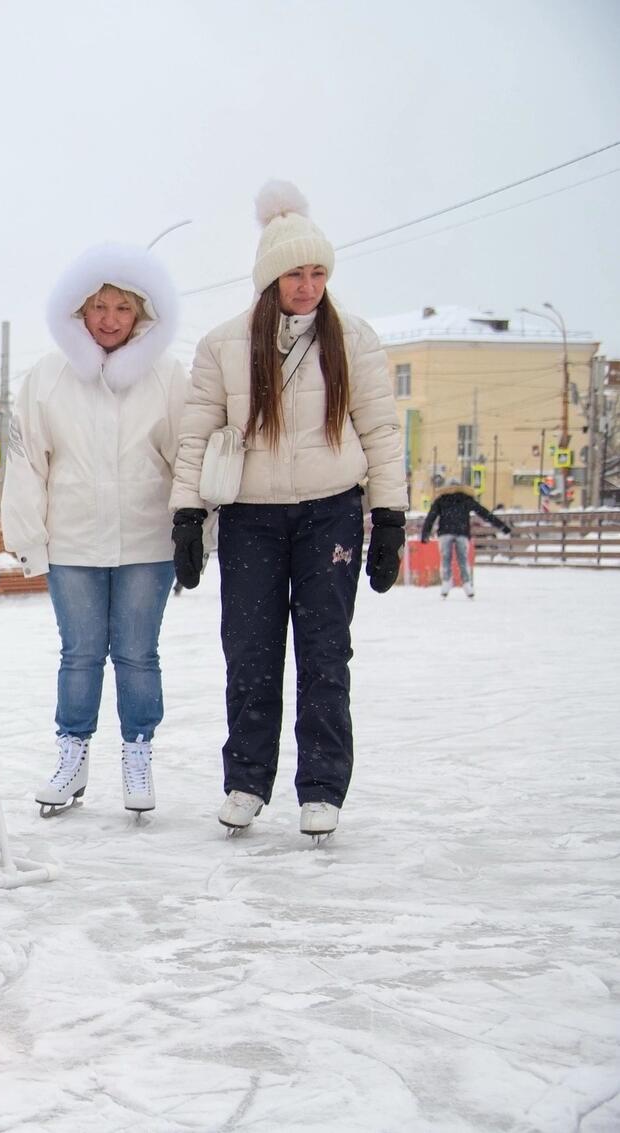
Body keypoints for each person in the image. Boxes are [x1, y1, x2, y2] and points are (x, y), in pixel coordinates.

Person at [169, 182, 407, 839]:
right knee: (250, 652)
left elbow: (381, 430)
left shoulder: (353, 339)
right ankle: (247, 781)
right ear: (269, 277)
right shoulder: (223, 345)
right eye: (295, 274)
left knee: (325, 652)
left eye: (317, 273)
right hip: (250, 517)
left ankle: (322, 787)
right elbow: (197, 434)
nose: (307, 287)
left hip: (331, 513)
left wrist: (389, 516)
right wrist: (187, 515)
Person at [2, 242, 188, 816]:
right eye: (98, 307)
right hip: (74, 542)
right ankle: (72, 757)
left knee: (137, 655)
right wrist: (29, 539)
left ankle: (138, 754)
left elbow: (186, 456)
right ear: (78, 309)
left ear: (142, 313)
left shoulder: (166, 375)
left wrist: (194, 530)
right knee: (80, 654)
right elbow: (27, 463)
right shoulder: (47, 377)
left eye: (123, 308)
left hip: (147, 541)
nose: (109, 320)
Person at [421, 478, 511, 599]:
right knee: (462, 559)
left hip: (447, 532)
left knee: (446, 558)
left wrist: (425, 534)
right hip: (460, 532)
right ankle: (465, 583)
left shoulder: (442, 500)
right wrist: (502, 526)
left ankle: (448, 582)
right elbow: (484, 513)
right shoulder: (464, 499)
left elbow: (430, 517)